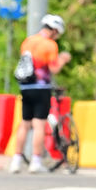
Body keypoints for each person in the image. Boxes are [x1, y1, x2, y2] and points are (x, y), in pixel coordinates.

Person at [8, 14, 71, 174]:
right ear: (54, 30)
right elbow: (53, 69)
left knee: (24, 123)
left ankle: (16, 160)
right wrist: (63, 59)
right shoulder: (50, 45)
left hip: (25, 87)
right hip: (41, 87)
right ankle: (36, 161)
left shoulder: (28, 41)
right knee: (39, 125)